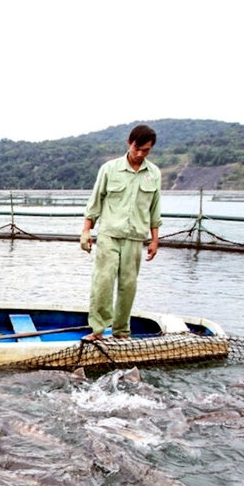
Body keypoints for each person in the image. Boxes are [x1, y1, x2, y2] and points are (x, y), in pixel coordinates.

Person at [79, 124, 161, 341]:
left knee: (128, 285)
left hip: (135, 237)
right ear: (129, 143)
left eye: (146, 150)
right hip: (109, 234)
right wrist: (86, 231)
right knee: (103, 281)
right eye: (138, 148)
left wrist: (155, 240)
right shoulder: (109, 169)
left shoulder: (154, 174)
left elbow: (155, 210)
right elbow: (95, 202)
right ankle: (97, 330)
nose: (140, 154)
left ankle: (121, 332)